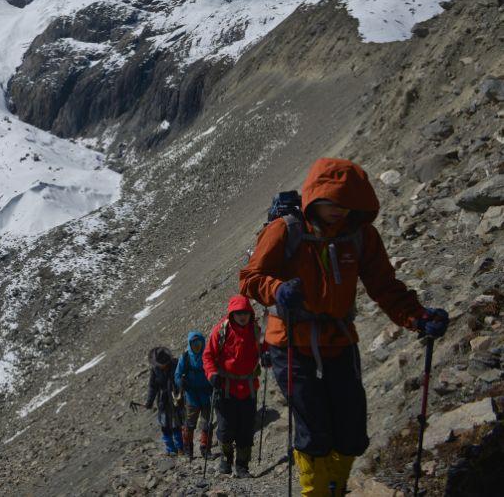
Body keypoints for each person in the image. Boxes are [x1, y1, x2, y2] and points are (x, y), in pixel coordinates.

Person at [239, 158, 450, 495]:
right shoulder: (286, 229)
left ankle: (334, 488)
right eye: (332, 203)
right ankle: (316, 492)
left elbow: (385, 287)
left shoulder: (360, 235)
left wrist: (417, 317)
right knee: (314, 433)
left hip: (339, 339)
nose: (340, 210)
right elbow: (249, 279)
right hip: (290, 342)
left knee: (351, 433)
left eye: (347, 204)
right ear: (315, 197)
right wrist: (276, 289)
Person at [203, 295, 265, 477]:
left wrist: (268, 355)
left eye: (245, 312)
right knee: (225, 428)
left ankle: (242, 466)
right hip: (225, 388)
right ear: (232, 314)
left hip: (248, 389)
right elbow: (208, 356)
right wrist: (212, 374)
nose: (242, 316)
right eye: (239, 313)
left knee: (246, 429)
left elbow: (266, 347)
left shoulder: (256, 331)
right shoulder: (221, 330)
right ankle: (226, 460)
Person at [174, 330, 214, 459]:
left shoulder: (208, 355)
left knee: (207, 423)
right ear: (189, 344)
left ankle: (205, 449)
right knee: (190, 424)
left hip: (207, 394)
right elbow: (177, 374)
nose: (197, 345)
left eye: (199, 342)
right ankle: (188, 450)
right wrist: (181, 383)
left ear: (203, 342)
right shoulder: (185, 358)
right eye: (193, 343)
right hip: (191, 395)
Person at [144, 346, 184, 455]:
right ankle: (170, 448)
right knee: (165, 426)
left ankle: (180, 447)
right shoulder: (155, 370)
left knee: (176, 424)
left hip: (176, 399)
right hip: (163, 401)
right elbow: (153, 387)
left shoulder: (176, 364)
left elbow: (182, 379)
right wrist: (149, 402)